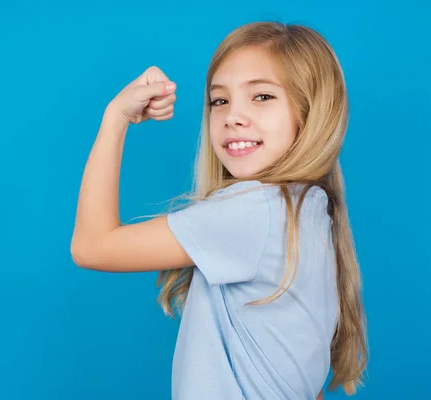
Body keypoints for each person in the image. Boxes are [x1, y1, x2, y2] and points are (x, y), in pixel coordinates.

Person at [71, 21, 368, 399]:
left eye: (262, 96)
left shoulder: (257, 211)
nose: (232, 116)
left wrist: (115, 117)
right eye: (219, 100)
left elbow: (91, 246)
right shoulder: (309, 207)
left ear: (311, 114)